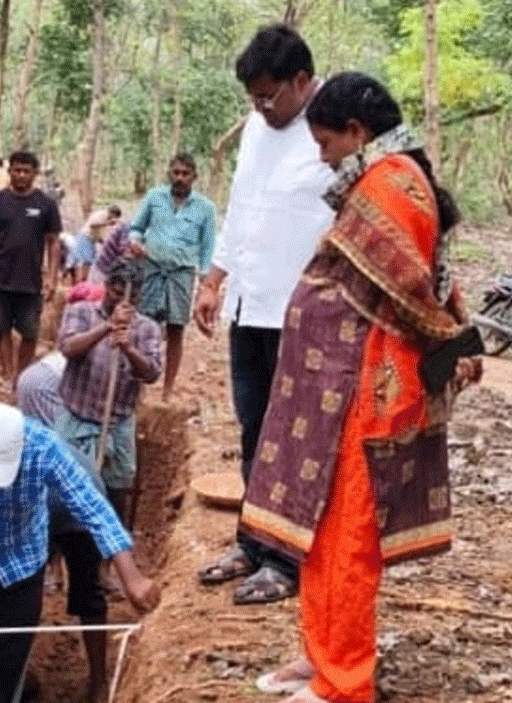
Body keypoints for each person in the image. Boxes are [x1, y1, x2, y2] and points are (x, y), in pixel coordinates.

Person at [245, 72, 482, 703]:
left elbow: (411, 288)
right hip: (340, 387)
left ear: (357, 132)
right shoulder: (383, 180)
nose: (323, 158)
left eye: (326, 143)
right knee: (321, 523)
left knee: (350, 534)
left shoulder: (391, 184)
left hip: (371, 388)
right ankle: (321, 653)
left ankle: (345, 679)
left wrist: (452, 340)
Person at [193, 23, 335, 606]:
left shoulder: (335, 127)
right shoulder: (258, 127)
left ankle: (286, 558)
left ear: (301, 81)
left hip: (302, 313)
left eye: (268, 96)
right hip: (250, 303)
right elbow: (242, 207)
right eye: (253, 98)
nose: (260, 108)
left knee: (294, 437)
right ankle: (252, 542)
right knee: (253, 426)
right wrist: (215, 278)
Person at [0, 402, 160, 703]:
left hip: (18, 564)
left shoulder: (43, 447)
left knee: (1, 671)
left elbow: (91, 506)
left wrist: (131, 576)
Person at [15, 352, 112, 703]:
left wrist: (127, 572)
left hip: (76, 517)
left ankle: (98, 681)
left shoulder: (75, 480)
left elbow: (105, 524)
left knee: (89, 592)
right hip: (37, 512)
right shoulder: (3, 474)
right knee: (20, 591)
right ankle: (13, 674)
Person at [57, 260, 162, 518]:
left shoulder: (147, 328)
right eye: (117, 293)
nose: (123, 302)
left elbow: (152, 373)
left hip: (118, 424)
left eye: (132, 297)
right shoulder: (81, 312)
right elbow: (68, 348)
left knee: (118, 488)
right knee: (64, 487)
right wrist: (107, 327)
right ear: (106, 286)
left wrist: (128, 349)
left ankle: (112, 535)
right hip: (76, 419)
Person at [0, 151, 63, 386]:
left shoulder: (46, 204)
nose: (20, 175)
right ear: (9, 171)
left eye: (26, 171)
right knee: (1, 329)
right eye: (16, 170)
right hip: (0, 279)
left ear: (35, 174)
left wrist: (52, 277)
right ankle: (9, 376)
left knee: (30, 333)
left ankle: (21, 376)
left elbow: (53, 242)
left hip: (31, 282)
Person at [128, 153, 217, 401]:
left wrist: (206, 284)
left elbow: (207, 248)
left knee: (176, 330)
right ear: (169, 173)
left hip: (182, 274)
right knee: (144, 325)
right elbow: (136, 228)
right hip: (151, 268)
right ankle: (138, 387)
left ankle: (167, 389)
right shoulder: (154, 197)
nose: (180, 178)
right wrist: (135, 241)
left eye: (185, 174)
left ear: (194, 176)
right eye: (176, 173)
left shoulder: (206, 209)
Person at [66, 205, 122, 283]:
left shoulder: (105, 218)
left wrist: (104, 243)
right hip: (86, 237)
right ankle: (82, 281)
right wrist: (107, 223)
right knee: (87, 261)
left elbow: (97, 233)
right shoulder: (102, 214)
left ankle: (83, 281)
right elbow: (92, 225)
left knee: (90, 261)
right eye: (114, 217)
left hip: (91, 239)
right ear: (113, 213)